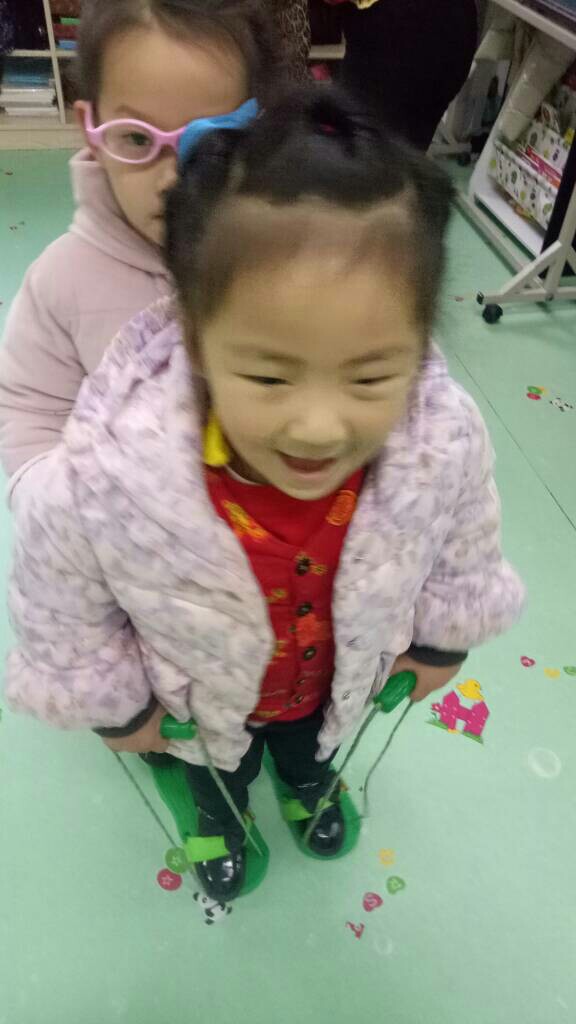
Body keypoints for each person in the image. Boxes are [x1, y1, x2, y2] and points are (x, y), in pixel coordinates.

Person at [4, 85, 524, 903]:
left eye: (370, 376)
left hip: (333, 680)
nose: (318, 427)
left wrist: (441, 640)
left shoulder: (438, 438)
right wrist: (115, 707)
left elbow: (464, 538)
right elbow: (61, 598)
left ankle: (309, 782)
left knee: (312, 748)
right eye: (270, 376)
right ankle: (218, 811)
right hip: (197, 699)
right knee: (218, 767)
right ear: (193, 334)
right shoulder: (111, 475)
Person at [0, 0, 279, 485]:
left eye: (207, 142)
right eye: (135, 139)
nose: (172, 179)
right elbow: (31, 416)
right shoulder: (62, 282)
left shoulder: (290, 257)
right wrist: (59, 506)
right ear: (90, 130)